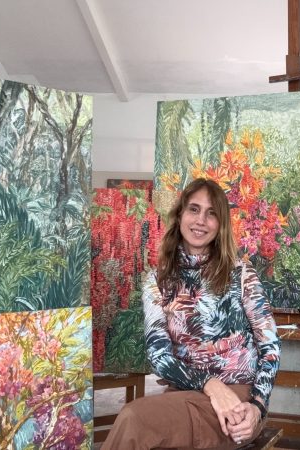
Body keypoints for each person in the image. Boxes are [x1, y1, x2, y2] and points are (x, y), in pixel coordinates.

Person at [102, 178, 281, 450]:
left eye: (212, 213)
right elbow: (159, 356)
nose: (201, 221)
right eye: (194, 209)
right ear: (180, 215)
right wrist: (209, 384)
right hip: (186, 392)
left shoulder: (241, 274)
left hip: (238, 401)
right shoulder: (158, 281)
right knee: (140, 422)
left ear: (221, 224)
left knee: (134, 419)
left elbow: (270, 347)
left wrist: (257, 406)